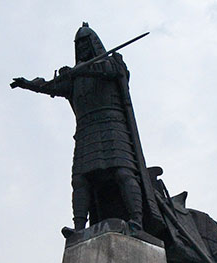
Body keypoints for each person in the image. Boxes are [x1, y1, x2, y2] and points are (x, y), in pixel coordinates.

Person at [12, 23, 154, 235]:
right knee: (80, 179)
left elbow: (112, 71)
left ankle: (136, 221)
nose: (83, 48)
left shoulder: (112, 63)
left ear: (94, 44)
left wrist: (81, 70)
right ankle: (79, 229)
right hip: (87, 132)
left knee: (123, 172)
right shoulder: (74, 79)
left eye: (86, 43)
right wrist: (28, 84)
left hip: (112, 126)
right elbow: (49, 85)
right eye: (79, 45)